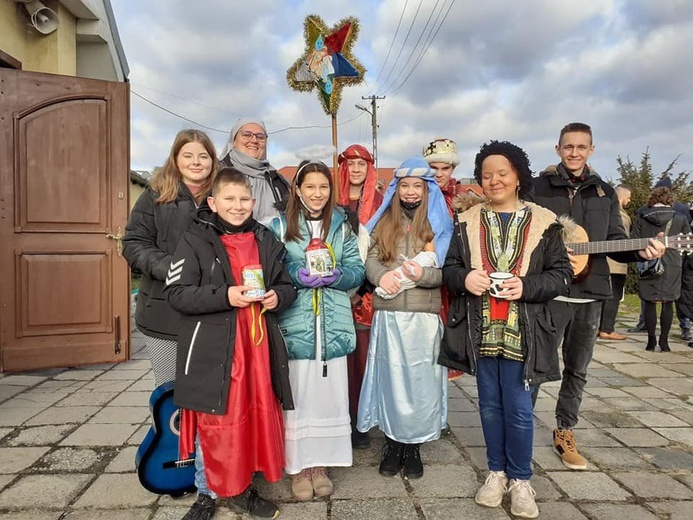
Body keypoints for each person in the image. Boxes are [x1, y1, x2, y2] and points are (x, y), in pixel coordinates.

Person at [439, 141, 571, 519]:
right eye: (486, 175)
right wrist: (466, 279)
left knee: (518, 409)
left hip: (523, 332)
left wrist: (526, 287)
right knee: (490, 406)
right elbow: (450, 271)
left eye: (502, 173)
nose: (493, 180)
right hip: (480, 330)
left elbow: (561, 276)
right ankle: (495, 473)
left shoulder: (545, 222)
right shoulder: (465, 222)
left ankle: (521, 479)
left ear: (517, 177)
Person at [525, 122, 665, 471]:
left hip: (590, 294)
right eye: (568, 146)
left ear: (591, 150)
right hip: (549, 293)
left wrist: (640, 253)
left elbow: (618, 242)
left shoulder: (603, 191)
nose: (574, 153)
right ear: (557, 149)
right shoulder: (536, 187)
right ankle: (521, 430)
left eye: (581, 147)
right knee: (536, 365)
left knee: (578, 370)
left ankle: (565, 431)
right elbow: (525, 232)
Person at [165, 168, 297, 520]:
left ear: (253, 202)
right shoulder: (195, 240)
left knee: (250, 418)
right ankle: (207, 493)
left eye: (244, 200)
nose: (238, 206)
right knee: (215, 421)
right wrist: (226, 295)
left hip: (256, 348)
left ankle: (241, 490)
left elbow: (287, 284)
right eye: (229, 199)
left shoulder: (266, 238)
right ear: (213, 202)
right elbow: (176, 294)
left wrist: (277, 297)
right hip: (215, 350)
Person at [268, 160, 365, 501]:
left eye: (323, 187)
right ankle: (297, 466)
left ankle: (320, 465)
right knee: (298, 397)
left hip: (333, 323)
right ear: (297, 189)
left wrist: (337, 276)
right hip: (296, 324)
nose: (317, 193)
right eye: (310, 186)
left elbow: (357, 269)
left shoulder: (341, 227)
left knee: (328, 398)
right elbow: (272, 266)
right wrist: (296, 273)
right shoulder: (279, 225)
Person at [357, 156, 453, 480]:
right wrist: (380, 276)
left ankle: (413, 447)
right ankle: (392, 443)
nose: (411, 192)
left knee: (420, 384)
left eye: (418, 186)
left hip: (424, 317)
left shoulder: (439, 223)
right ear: (397, 189)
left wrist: (424, 274)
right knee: (391, 382)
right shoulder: (385, 220)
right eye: (405, 186)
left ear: (427, 190)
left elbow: (448, 270)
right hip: (390, 315)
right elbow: (369, 257)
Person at [123, 129, 218, 387]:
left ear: (213, 160)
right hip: (163, 311)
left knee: (207, 392)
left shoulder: (223, 196)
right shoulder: (156, 195)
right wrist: (171, 267)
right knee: (169, 391)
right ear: (175, 159)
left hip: (213, 312)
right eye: (187, 155)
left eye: (203, 155)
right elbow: (134, 243)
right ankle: (167, 429)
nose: (196, 162)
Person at [336, 144, 383, 449]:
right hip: (335, 291)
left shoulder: (380, 203)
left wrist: (363, 289)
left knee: (362, 360)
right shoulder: (331, 201)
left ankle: (360, 421)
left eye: (361, 165)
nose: (355, 170)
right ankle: (338, 419)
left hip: (366, 298)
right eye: (350, 164)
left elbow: (382, 249)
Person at [632, 186, 691, 352]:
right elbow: (688, 241)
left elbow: (633, 240)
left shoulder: (642, 216)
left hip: (648, 260)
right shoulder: (680, 217)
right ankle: (664, 343)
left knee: (649, 302)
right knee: (668, 302)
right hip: (672, 262)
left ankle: (650, 342)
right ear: (669, 199)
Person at [219, 117, 290, 225]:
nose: (254, 140)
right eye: (247, 135)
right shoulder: (218, 175)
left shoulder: (277, 180)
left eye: (260, 137)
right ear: (233, 140)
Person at [598, 185, 632, 340]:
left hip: (604, 261)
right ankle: (607, 329)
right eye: (628, 197)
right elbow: (621, 241)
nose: (629, 201)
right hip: (616, 265)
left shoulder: (604, 212)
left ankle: (601, 327)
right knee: (614, 297)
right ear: (621, 198)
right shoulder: (621, 217)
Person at [422, 137, 466, 208]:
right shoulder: (414, 194)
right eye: (434, 168)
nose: (439, 174)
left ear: (453, 168)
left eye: (445, 168)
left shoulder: (465, 199)